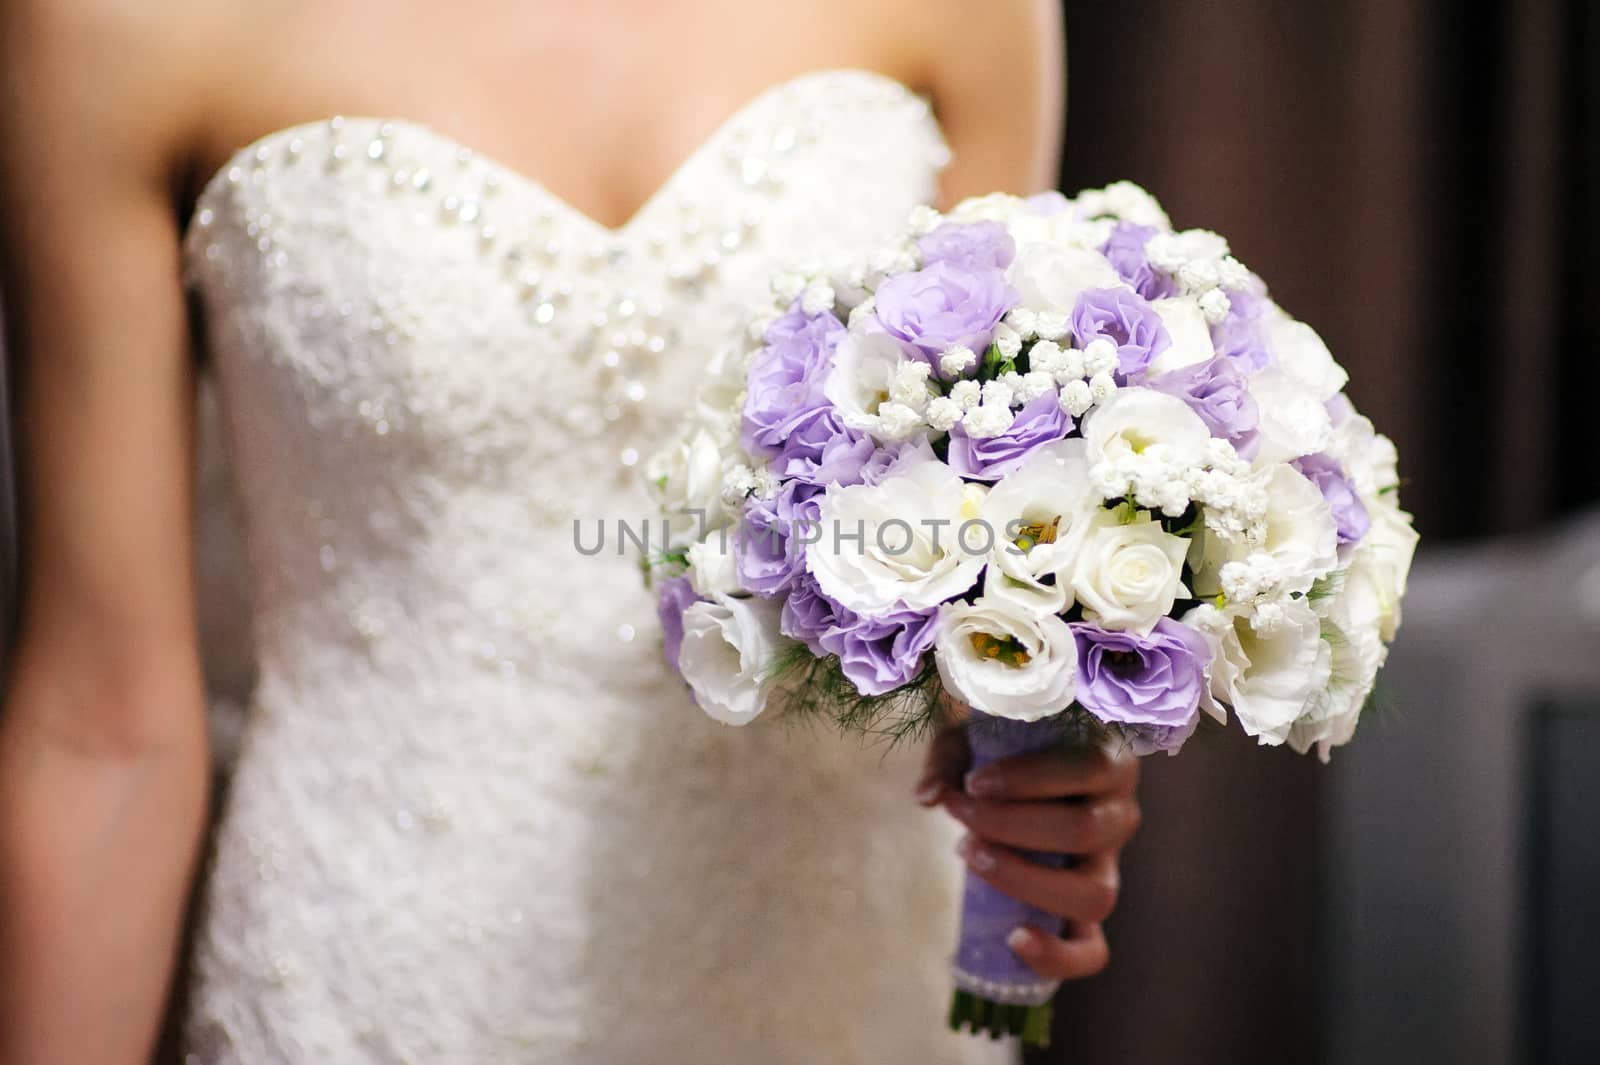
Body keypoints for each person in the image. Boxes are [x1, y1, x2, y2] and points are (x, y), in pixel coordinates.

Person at [0, 1, 1141, 1061]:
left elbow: (989, 508)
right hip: (381, 976)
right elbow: (105, 726)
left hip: (853, 976)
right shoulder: (118, 29)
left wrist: (1035, 750)